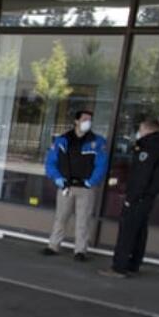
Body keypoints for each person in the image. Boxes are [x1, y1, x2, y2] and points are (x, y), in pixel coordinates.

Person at [100, 118, 159, 279]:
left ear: (147, 130)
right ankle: (134, 264)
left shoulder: (147, 150)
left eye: (140, 129)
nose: (139, 132)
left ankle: (119, 267)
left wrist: (131, 198)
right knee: (139, 231)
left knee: (127, 232)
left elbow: (141, 177)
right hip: (148, 198)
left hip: (138, 198)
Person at [41, 109, 109, 261]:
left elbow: (101, 165)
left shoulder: (97, 142)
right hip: (66, 186)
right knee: (61, 217)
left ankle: (80, 251)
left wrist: (91, 181)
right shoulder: (62, 140)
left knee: (83, 219)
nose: (88, 122)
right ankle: (53, 246)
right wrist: (57, 178)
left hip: (86, 187)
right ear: (76, 121)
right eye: (85, 119)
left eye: (90, 119)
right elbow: (51, 162)